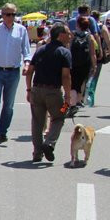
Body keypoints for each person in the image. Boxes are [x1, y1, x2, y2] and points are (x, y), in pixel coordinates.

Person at [0, 3, 31, 144]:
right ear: (2, 15)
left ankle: (3, 131)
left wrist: (27, 65)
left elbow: (26, 51)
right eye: (8, 14)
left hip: (13, 71)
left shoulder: (21, 30)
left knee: (8, 105)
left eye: (13, 14)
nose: (11, 17)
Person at [24, 22, 72, 163]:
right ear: (61, 35)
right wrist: (68, 96)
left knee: (37, 122)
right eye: (68, 33)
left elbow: (29, 71)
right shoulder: (64, 52)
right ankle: (49, 143)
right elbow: (65, 76)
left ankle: (37, 153)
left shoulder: (41, 50)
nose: (70, 36)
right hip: (54, 92)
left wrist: (28, 89)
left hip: (37, 90)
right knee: (59, 116)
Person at [69, 16, 97, 108]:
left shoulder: (72, 35)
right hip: (85, 64)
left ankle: (68, 107)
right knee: (81, 83)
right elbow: (92, 53)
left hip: (73, 63)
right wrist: (94, 66)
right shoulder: (90, 37)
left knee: (72, 85)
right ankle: (77, 102)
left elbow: (68, 49)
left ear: (77, 24)